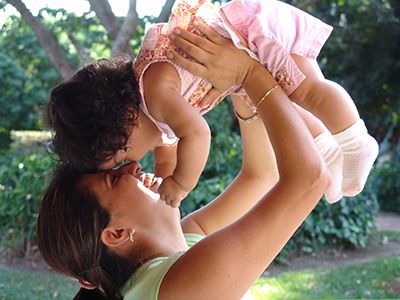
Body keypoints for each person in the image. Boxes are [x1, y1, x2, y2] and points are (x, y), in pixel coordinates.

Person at [37, 22, 331, 299]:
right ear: (117, 234)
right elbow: (308, 179)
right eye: (114, 178)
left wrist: (239, 89)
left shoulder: (176, 252)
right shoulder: (175, 288)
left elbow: (259, 176)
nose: (133, 166)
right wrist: (247, 73)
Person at [46, 0, 374, 208]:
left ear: (127, 118)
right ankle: (330, 153)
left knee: (306, 92)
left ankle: (356, 142)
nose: (133, 162)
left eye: (123, 155)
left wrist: (181, 185)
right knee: (290, 105)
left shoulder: (156, 90)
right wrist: (163, 188)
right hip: (241, 63)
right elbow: (167, 157)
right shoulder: (155, 118)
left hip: (253, 35)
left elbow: (198, 134)